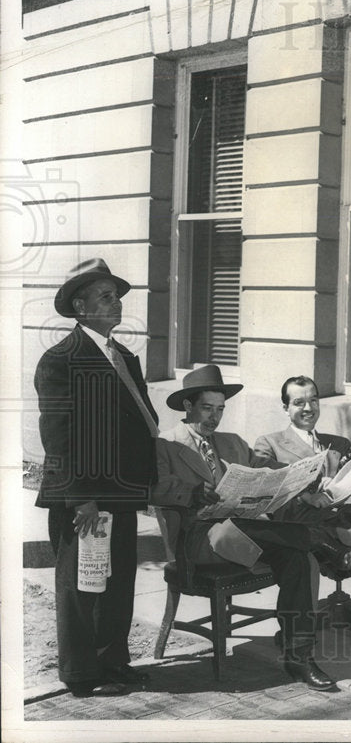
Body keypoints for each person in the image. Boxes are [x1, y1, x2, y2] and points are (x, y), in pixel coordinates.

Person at [153, 366, 351, 691]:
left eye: (220, 409)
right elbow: (155, 489)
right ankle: (320, 540)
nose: (215, 417)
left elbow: (265, 468)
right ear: (187, 406)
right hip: (200, 542)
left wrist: (300, 477)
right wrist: (191, 494)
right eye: (207, 408)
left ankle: (299, 656)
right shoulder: (165, 444)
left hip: (249, 535)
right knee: (238, 532)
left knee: (297, 558)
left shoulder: (232, 442)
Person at [35, 259, 159, 697]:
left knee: (118, 578)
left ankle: (113, 660)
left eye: (118, 296)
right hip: (84, 494)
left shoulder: (123, 355)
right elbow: (59, 436)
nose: (116, 303)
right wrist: (81, 499)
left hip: (121, 491)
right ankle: (81, 673)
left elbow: (139, 419)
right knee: (81, 582)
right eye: (106, 296)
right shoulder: (60, 360)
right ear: (80, 306)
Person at [253, 375, 351, 647]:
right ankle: (339, 535)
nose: (308, 408)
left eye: (313, 400)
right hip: (297, 518)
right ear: (285, 408)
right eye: (299, 402)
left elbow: (349, 480)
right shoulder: (269, 443)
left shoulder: (338, 443)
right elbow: (269, 488)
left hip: (340, 510)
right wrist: (308, 495)